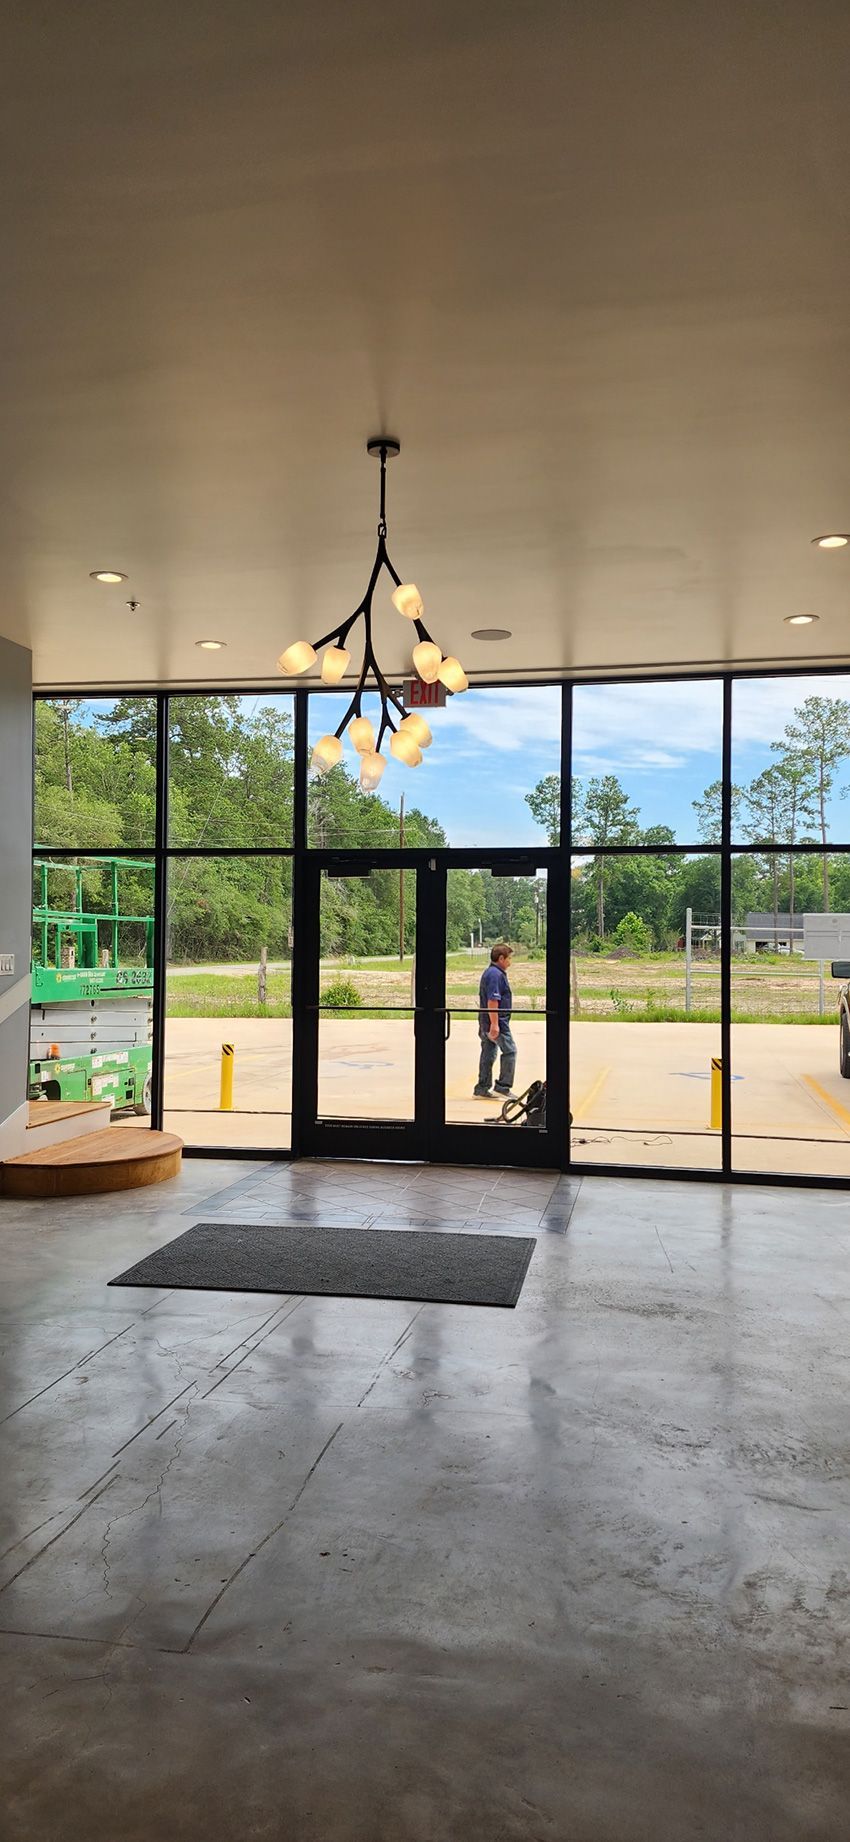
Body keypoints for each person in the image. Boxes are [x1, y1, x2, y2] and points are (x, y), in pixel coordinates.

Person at [474, 941, 517, 1098]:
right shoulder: (495, 975)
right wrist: (495, 1024)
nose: (510, 962)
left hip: (485, 1021)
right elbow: (493, 1001)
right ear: (501, 958)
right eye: (509, 958)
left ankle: (482, 1088)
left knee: (489, 1052)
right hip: (496, 1022)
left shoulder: (491, 972)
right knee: (510, 1051)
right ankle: (503, 1087)